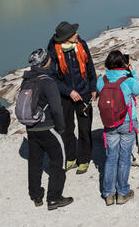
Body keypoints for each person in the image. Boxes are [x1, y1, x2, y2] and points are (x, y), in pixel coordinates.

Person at [22, 47, 73, 210]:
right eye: (49, 59)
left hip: (31, 128)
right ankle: (54, 197)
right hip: (48, 127)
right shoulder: (48, 81)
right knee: (59, 160)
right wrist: (61, 127)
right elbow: (56, 108)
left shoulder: (26, 80)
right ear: (45, 63)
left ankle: (36, 195)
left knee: (35, 161)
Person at [47, 21, 96, 175]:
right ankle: (70, 157)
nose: (77, 34)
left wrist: (93, 87)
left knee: (84, 127)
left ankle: (84, 159)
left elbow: (90, 66)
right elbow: (52, 76)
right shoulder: (53, 50)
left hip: (84, 92)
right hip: (65, 96)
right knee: (66, 127)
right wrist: (69, 91)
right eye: (73, 33)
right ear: (66, 38)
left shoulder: (81, 44)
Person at [97, 50, 139, 206]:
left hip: (110, 123)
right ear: (123, 63)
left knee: (110, 158)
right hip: (127, 122)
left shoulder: (102, 80)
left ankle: (108, 194)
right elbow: (138, 91)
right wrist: (131, 71)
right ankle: (122, 192)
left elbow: (99, 92)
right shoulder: (128, 80)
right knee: (124, 158)